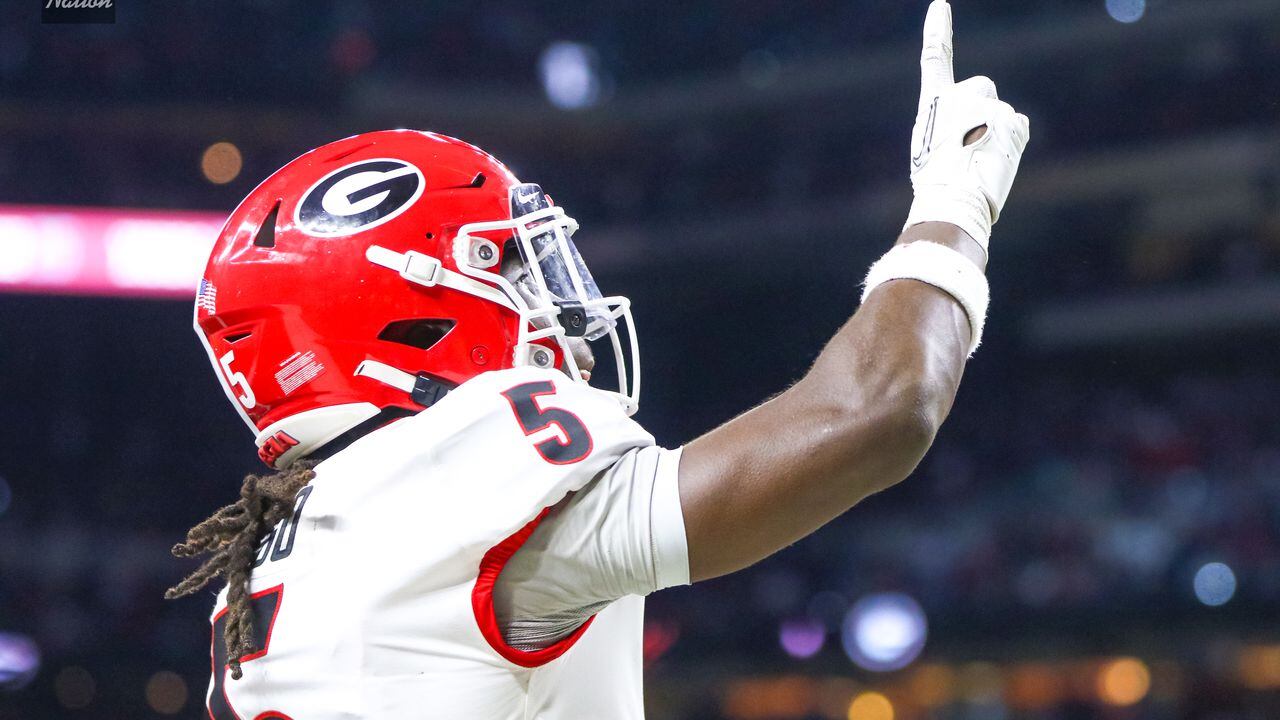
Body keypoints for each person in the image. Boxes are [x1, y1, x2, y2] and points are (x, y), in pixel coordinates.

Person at [165, 2, 1029, 717]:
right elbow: (877, 410)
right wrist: (954, 207)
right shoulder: (454, 475)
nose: (556, 306)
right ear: (407, 308)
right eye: (512, 266)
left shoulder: (292, 543)